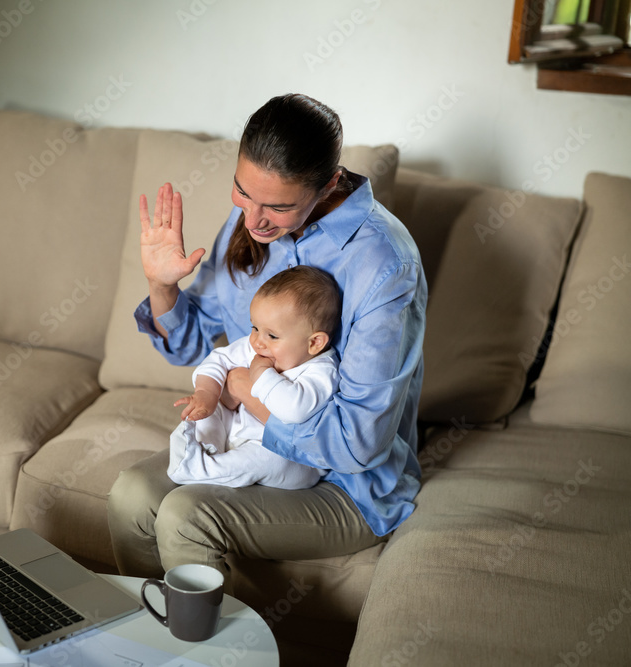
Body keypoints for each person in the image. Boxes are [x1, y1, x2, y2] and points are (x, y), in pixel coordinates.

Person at [107, 93, 427, 582]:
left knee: (185, 515)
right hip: (250, 444)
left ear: (328, 186)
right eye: (242, 192)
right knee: (130, 494)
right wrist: (161, 284)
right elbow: (191, 345)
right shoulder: (253, 227)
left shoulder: (384, 265)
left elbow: (357, 444)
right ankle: (142, 647)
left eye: (277, 207)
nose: (253, 220)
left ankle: (211, 657)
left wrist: (244, 391)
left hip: (347, 485)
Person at [167, 265, 341, 490]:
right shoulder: (261, 346)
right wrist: (205, 393)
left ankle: (200, 469)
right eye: (254, 327)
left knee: (270, 461)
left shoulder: (323, 371)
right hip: (235, 429)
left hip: (287, 456)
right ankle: (204, 447)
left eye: (272, 335)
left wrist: (259, 373)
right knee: (211, 406)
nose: (257, 341)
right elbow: (218, 360)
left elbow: (293, 411)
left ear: (314, 343)